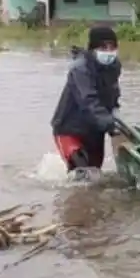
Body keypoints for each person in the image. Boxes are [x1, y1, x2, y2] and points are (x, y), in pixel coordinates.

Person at [51, 25, 123, 175]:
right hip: (69, 129)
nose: (109, 52)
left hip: (95, 130)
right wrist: (109, 124)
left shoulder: (114, 66)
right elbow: (88, 101)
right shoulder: (80, 69)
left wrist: (117, 118)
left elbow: (113, 95)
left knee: (96, 173)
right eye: (104, 47)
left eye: (112, 47)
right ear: (92, 49)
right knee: (81, 173)